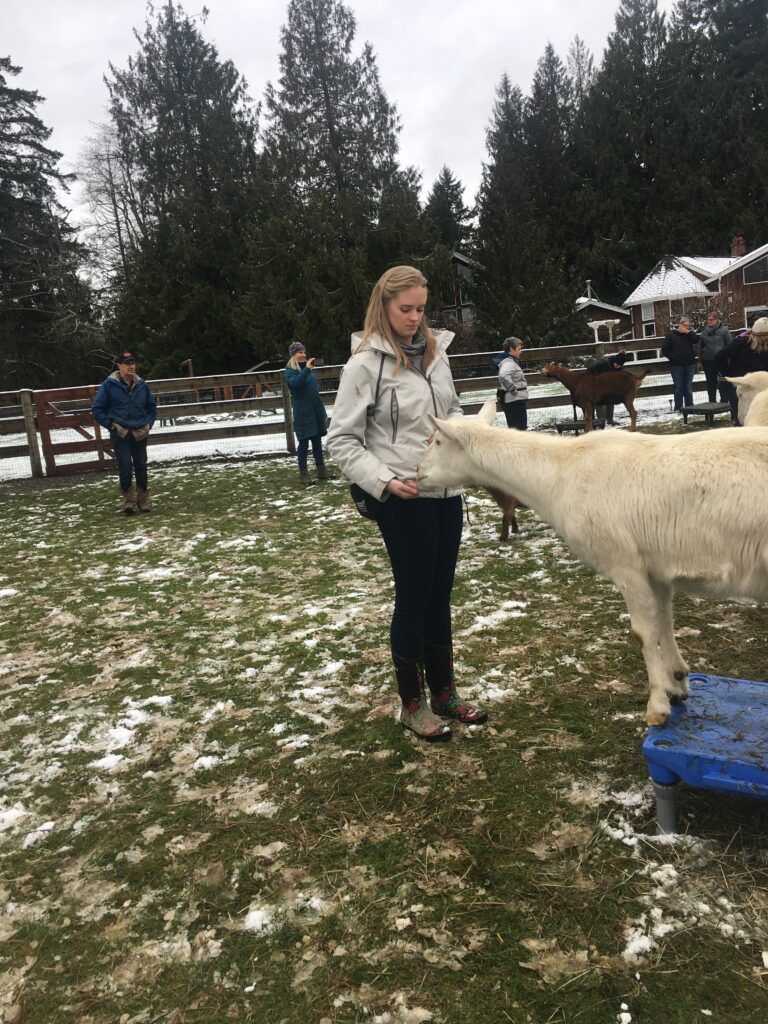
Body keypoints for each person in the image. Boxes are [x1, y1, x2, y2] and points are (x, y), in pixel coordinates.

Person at [327, 265, 486, 741]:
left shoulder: (437, 355)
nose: (416, 318)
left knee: (441, 596)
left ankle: (445, 693)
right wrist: (385, 481)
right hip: (404, 498)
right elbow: (341, 440)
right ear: (384, 305)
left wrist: (462, 432)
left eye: (421, 308)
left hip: (446, 491)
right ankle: (412, 704)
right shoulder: (364, 364)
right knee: (414, 597)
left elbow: (450, 409)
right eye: (406, 309)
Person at [91, 351, 157, 513]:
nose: (131, 366)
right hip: (120, 432)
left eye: (133, 363)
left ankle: (143, 500)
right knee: (125, 465)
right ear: (119, 366)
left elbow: (152, 407)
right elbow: (97, 409)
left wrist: (149, 423)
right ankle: (128, 500)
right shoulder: (108, 385)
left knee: (141, 465)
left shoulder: (142, 384)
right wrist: (111, 425)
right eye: (127, 363)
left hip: (140, 431)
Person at [285, 342, 332, 485]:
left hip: (315, 410)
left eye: (304, 352)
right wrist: (306, 370)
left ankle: (321, 470)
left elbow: (314, 392)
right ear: (293, 355)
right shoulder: (290, 371)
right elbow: (296, 385)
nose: (303, 355)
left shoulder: (308, 369)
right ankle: (304, 474)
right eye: (299, 352)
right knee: (303, 443)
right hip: (303, 412)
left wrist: (322, 411)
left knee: (317, 441)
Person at [713, 317, 768, 423]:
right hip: (741, 387)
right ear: (758, 335)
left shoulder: (765, 347)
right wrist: (728, 374)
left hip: (759, 388)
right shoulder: (741, 343)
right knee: (741, 418)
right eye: (766, 337)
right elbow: (719, 357)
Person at [662, 316, 698, 412]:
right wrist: (674, 358)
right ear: (680, 324)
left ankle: (690, 407)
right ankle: (678, 408)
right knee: (678, 387)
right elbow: (664, 350)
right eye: (684, 325)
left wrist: (689, 332)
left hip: (689, 364)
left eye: (687, 326)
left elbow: (696, 340)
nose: (686, 327)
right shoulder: (670, 335)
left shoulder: (689, 334)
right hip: (676, 365)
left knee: (688, 387)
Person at [585, 350, 630, 425]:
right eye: (617, 364)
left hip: (607, 386)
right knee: (599, 402)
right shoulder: (602, 364)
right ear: (614, 361)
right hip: (596, 384)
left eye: (619, 365)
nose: (617, 366)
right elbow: (589, 369)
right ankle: (601, 421)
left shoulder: (619, 369)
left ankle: (610, 420)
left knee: (611, 399)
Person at [698, 310, 731, 404]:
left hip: (721, 360)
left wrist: (729, 360)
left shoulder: (724, 331)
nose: (709, 321)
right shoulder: (704, 332)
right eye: (708, 320)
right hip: (708, 360)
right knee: (710, 383)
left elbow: (729, 345)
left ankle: (724, 402)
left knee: (723, 382)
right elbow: (701, 347)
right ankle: (711, 402)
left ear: (717, 320)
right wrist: (700, 361)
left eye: (711, 320)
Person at [498, 337, 529, 430]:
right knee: (519, 430)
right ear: (511, 349)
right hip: (515, 401)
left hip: (516, 400)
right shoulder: (508, 363)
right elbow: (503, 375)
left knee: (517, 430)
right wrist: (512, 389)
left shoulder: (510, 361)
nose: (521, 351)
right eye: (519, 349)